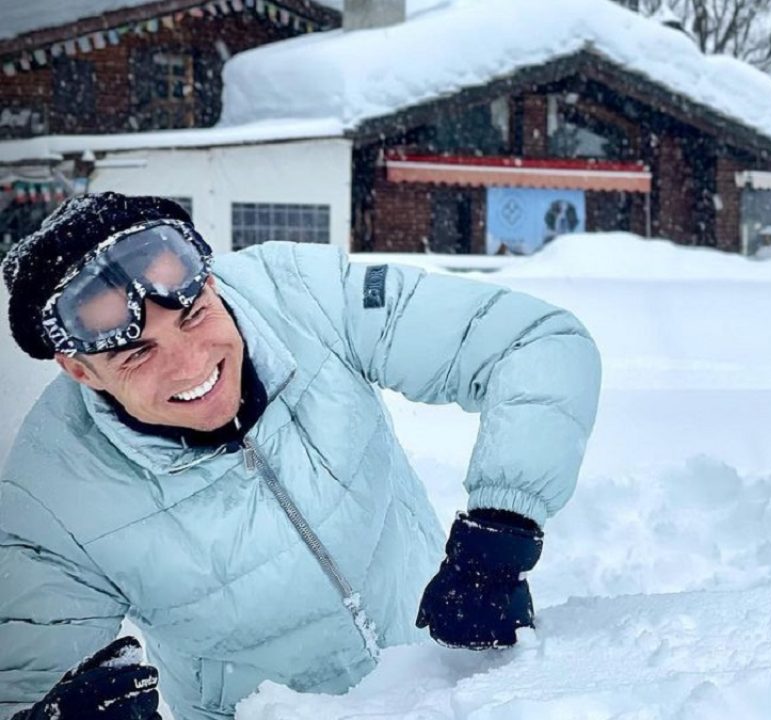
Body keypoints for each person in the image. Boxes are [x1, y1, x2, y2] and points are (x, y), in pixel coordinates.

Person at [0, 193, 602, 719]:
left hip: (447, 684)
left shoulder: (303, 297)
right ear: (80, 370)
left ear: (210, 283)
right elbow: (25, 687)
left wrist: (501, 532)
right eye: (137, 353)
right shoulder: (50, 497)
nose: (190, 364)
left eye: (193, 315)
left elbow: (531, 342)